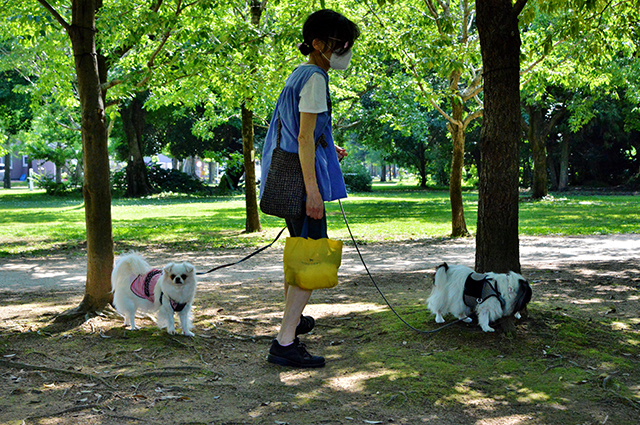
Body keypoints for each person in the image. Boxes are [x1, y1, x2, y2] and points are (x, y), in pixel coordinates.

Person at [260, 9, 360, 368]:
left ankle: (294, 321)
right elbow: (303, 135)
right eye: (340, 44)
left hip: (285, 173)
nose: (345, 50)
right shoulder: (316, 78)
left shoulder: (299, 73)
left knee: (297, 251)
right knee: (311, 256)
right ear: (319, 45)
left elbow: (297, 130)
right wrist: (313, 191)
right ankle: (285, 342)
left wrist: (325, 144)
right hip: (300, 181)